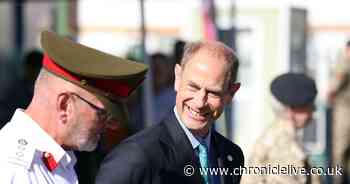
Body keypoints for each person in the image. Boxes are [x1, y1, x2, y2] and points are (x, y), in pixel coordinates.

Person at [0, 31, 148, 184]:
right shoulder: (14, 169)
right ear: (65, 106)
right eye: (101, 113)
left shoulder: (53, 159)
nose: (106, 126)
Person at [96, 40, 244, 184]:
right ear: (178, 78)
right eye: (193, 87)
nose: (200, 102)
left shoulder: (231, 155)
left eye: (213, 93)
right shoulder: (136, 156)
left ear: (231, 93)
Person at [241, 73, 320, 184]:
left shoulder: (277, 135)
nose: (313, 111)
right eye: (309, 106)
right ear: (291, 110)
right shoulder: (284, 146)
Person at [328, 40, 350, 184]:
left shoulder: (344, 63)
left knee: (340, 150)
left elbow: (335, 85)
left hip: (345, 110)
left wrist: (330, 94)